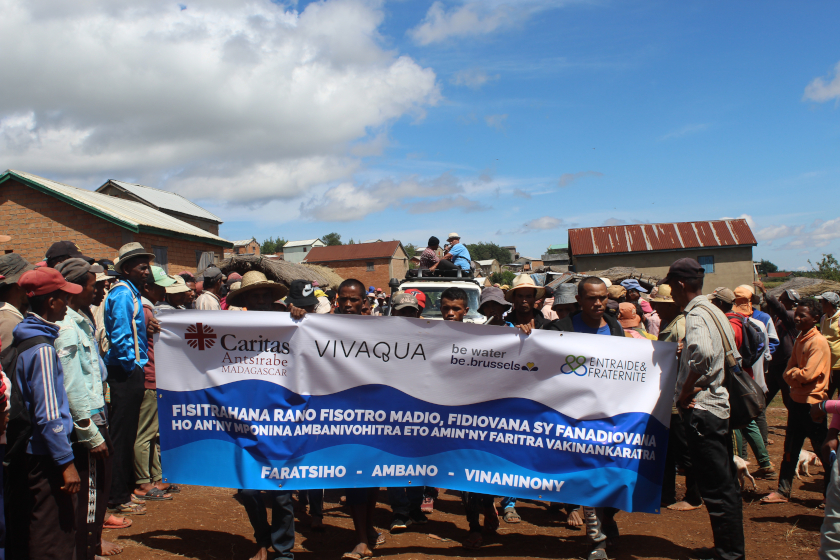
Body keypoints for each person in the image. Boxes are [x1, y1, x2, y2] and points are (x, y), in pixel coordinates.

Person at [667, 258, 744, 560]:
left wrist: (686, 389)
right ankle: (728, 549)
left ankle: (729, 554)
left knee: (716, 488)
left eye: (672, 286)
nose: (670, 292)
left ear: (682, 284)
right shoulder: (715, 310)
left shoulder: (696, 314)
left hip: (703, 411)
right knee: (724, 485)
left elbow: (701, 356)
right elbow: (718, 352)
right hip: (719, 408)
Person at [7, 267, 82, 560]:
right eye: (64, 297)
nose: (68, 303)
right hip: (44, 453)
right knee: (52, 532)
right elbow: (50, 415)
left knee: (31, 523)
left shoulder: (22, 338)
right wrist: (66, 462)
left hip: (27, 449)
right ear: (51, 302)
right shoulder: (42, 350)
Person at [54, 258, 122, 559]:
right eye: (95, 286)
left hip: (96, 411)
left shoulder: (80, 318)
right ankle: (86, 549)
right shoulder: (68, 328)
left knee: (98, 489)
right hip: (89, 419)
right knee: (91, 493)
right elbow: (72, 384)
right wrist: (89, 430)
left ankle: (90, 545)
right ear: (76, 287)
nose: (100, 291)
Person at [229, 275, 295, 560]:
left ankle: (283, 551)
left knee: (281, 491)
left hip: (281, 418)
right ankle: (262, 540)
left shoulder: (290, 322)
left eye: (266, 295)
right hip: (242, 417)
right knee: (248, 488)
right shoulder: (227, 328)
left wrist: (300, 317)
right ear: (243, 301)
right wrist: (159, 328)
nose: (261, 301)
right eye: (254, 296)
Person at [567, 277, 625, 558]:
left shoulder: (615, 328)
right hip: (572, 417)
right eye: (591, 298)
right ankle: (597, 541)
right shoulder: (561, 329)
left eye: (602, 297)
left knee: (608, 474)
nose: (598, 303)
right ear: (579, 300)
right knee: (590, 476)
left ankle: (607, 518)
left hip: (608, 416)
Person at [438, 287, 499, 547]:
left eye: (456, 309)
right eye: (446, 309)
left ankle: (489, 504)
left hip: (479, 416)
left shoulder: (481, 336)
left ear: (466, 310)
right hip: (448, 418)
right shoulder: (430, 335)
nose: (450, 313)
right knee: (463, 476)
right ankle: (473, 526)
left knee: (481, 474)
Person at [762, 298, 830, 505]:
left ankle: (831, 496)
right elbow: (788, 372)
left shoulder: (817, 342)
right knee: (790, 448)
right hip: (797, 400)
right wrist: (795, 376)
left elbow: (808, 374)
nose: (797, 318)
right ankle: (783, 490)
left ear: (816, 318)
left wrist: (794, 375)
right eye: (797, 314)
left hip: (813, 404)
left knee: (823, 451)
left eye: (803, 315)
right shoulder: (801, 338)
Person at [103, 243, 152, 516]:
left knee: (128, 432)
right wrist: (132, 367)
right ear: (126, 269)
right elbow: (121, 337)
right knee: (121, 435)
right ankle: (117, 496)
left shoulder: (130, 294)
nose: (146, 271)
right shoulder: (122, 294)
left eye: (147, 266)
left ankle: (122, 490)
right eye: (141, 267)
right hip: (125, 371)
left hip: (130, 369)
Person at [708, 288, 775, 481]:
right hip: (744, 374)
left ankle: (740, 460)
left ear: (721, 304)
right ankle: (765, 462)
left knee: (734, 421)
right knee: (749, 420)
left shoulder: (728, 324)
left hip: (731, 377)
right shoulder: (744, 321)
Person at [651, 284, 702, 512]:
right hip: (668, 395)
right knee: (669, 449)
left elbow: (692, 358)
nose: (656, 308)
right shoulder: (669, 323)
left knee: (684, 449)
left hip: (678, 396)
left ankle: (694, 495)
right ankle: (667, 493)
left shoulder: (680, 326)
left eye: (661, 305)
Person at [134, 266, 176, 503]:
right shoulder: (145, 311)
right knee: (146, 434)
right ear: (147, 287)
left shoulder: (150, 310)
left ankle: (157, 477)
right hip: (150, 377)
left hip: (156, 377)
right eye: (159, 286)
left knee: (153, 432)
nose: (163, 290)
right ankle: (143, 482)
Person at [755, 281, 800, 408]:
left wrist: (766, 293)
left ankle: (794, 425)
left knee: (788, 397)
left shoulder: (791, 315)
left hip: (785, 362)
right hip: (775, 361)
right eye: (782, 299)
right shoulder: (777, 317)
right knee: (765, 393)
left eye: (785, 300)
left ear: (793, 303)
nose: (782, 302)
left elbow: (779, 310)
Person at [0, 253, 36, 350]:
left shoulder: (10, 316)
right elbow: (9, 363)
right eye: (27, 281)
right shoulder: (9, 322)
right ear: (19, 285)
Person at [819, 292, 840, 400]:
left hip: (839, 366)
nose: (820, 304)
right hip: (827, 366)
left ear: (828, 303)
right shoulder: (823, 318)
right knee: (824, 397)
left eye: (821, 302)